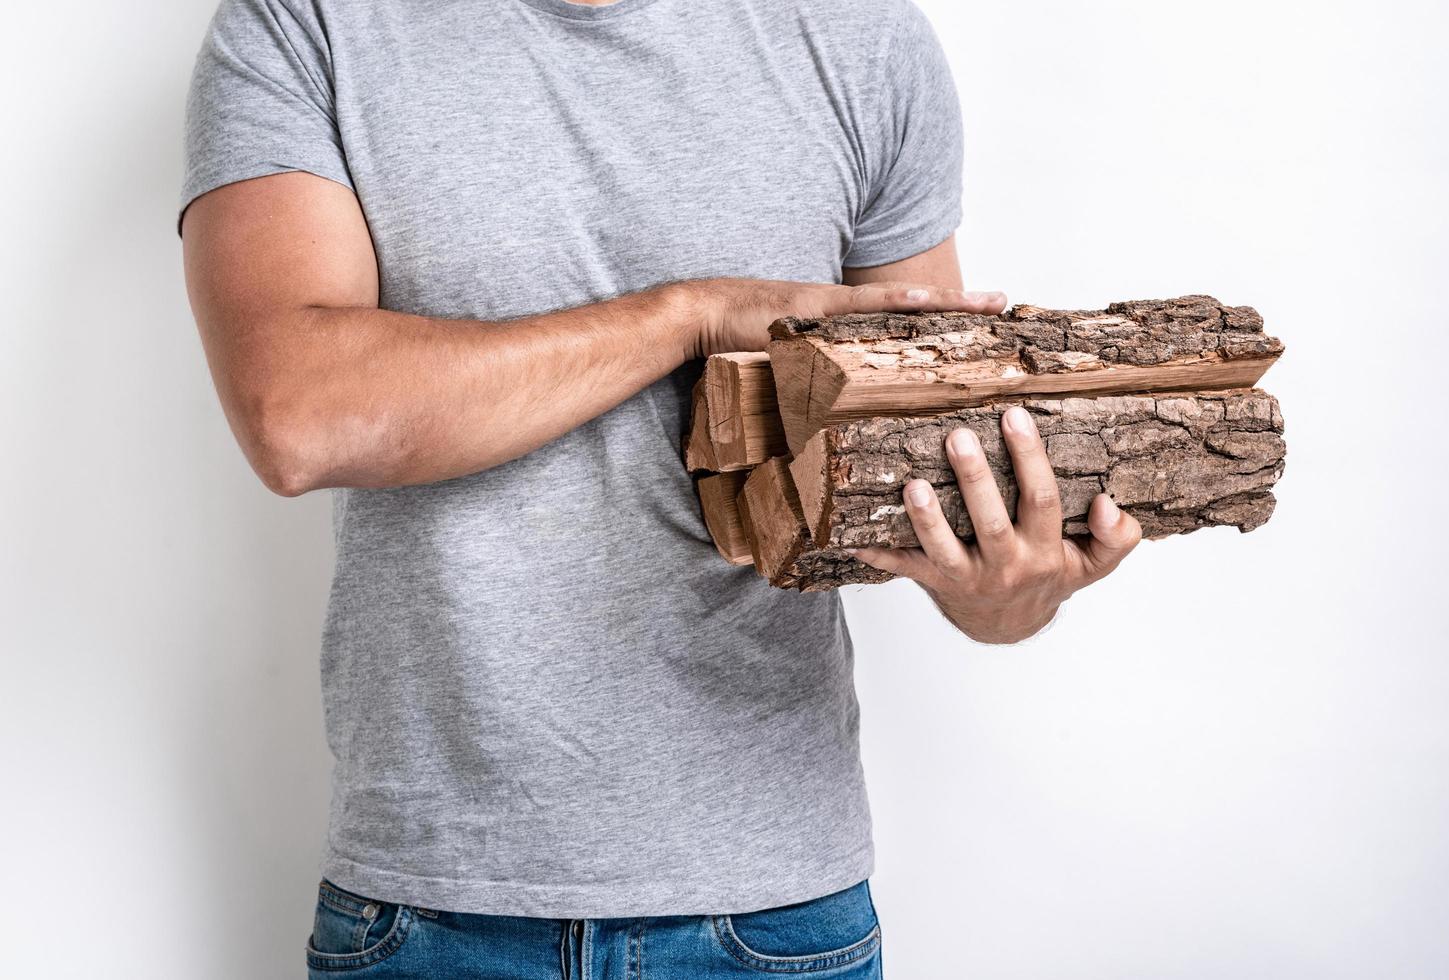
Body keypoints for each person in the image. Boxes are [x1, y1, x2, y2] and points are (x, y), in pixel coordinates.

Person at [179, 0, 1141, 975]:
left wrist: (1002, 591)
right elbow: (295, 411)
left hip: (772, 915)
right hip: (433, 908)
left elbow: (928, 469)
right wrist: (693, 314)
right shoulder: (305, 21)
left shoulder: (858, 36)